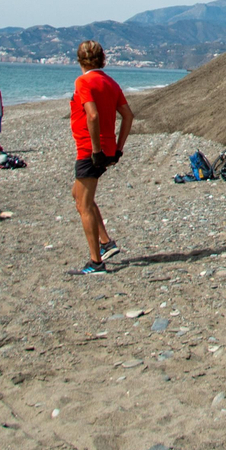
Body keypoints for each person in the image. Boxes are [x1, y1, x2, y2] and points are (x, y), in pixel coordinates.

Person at [70, 40, 132, 275]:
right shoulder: (110, 82)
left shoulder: (84, 81)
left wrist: (96, 150)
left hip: (90, 151)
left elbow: (92, 115)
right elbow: (128, 116)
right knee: (78, 194)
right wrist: (118, 148)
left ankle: (96, 262)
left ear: (80, 60)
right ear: (102, 59)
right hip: (105, 149)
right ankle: (106, 242)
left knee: (83, 205)